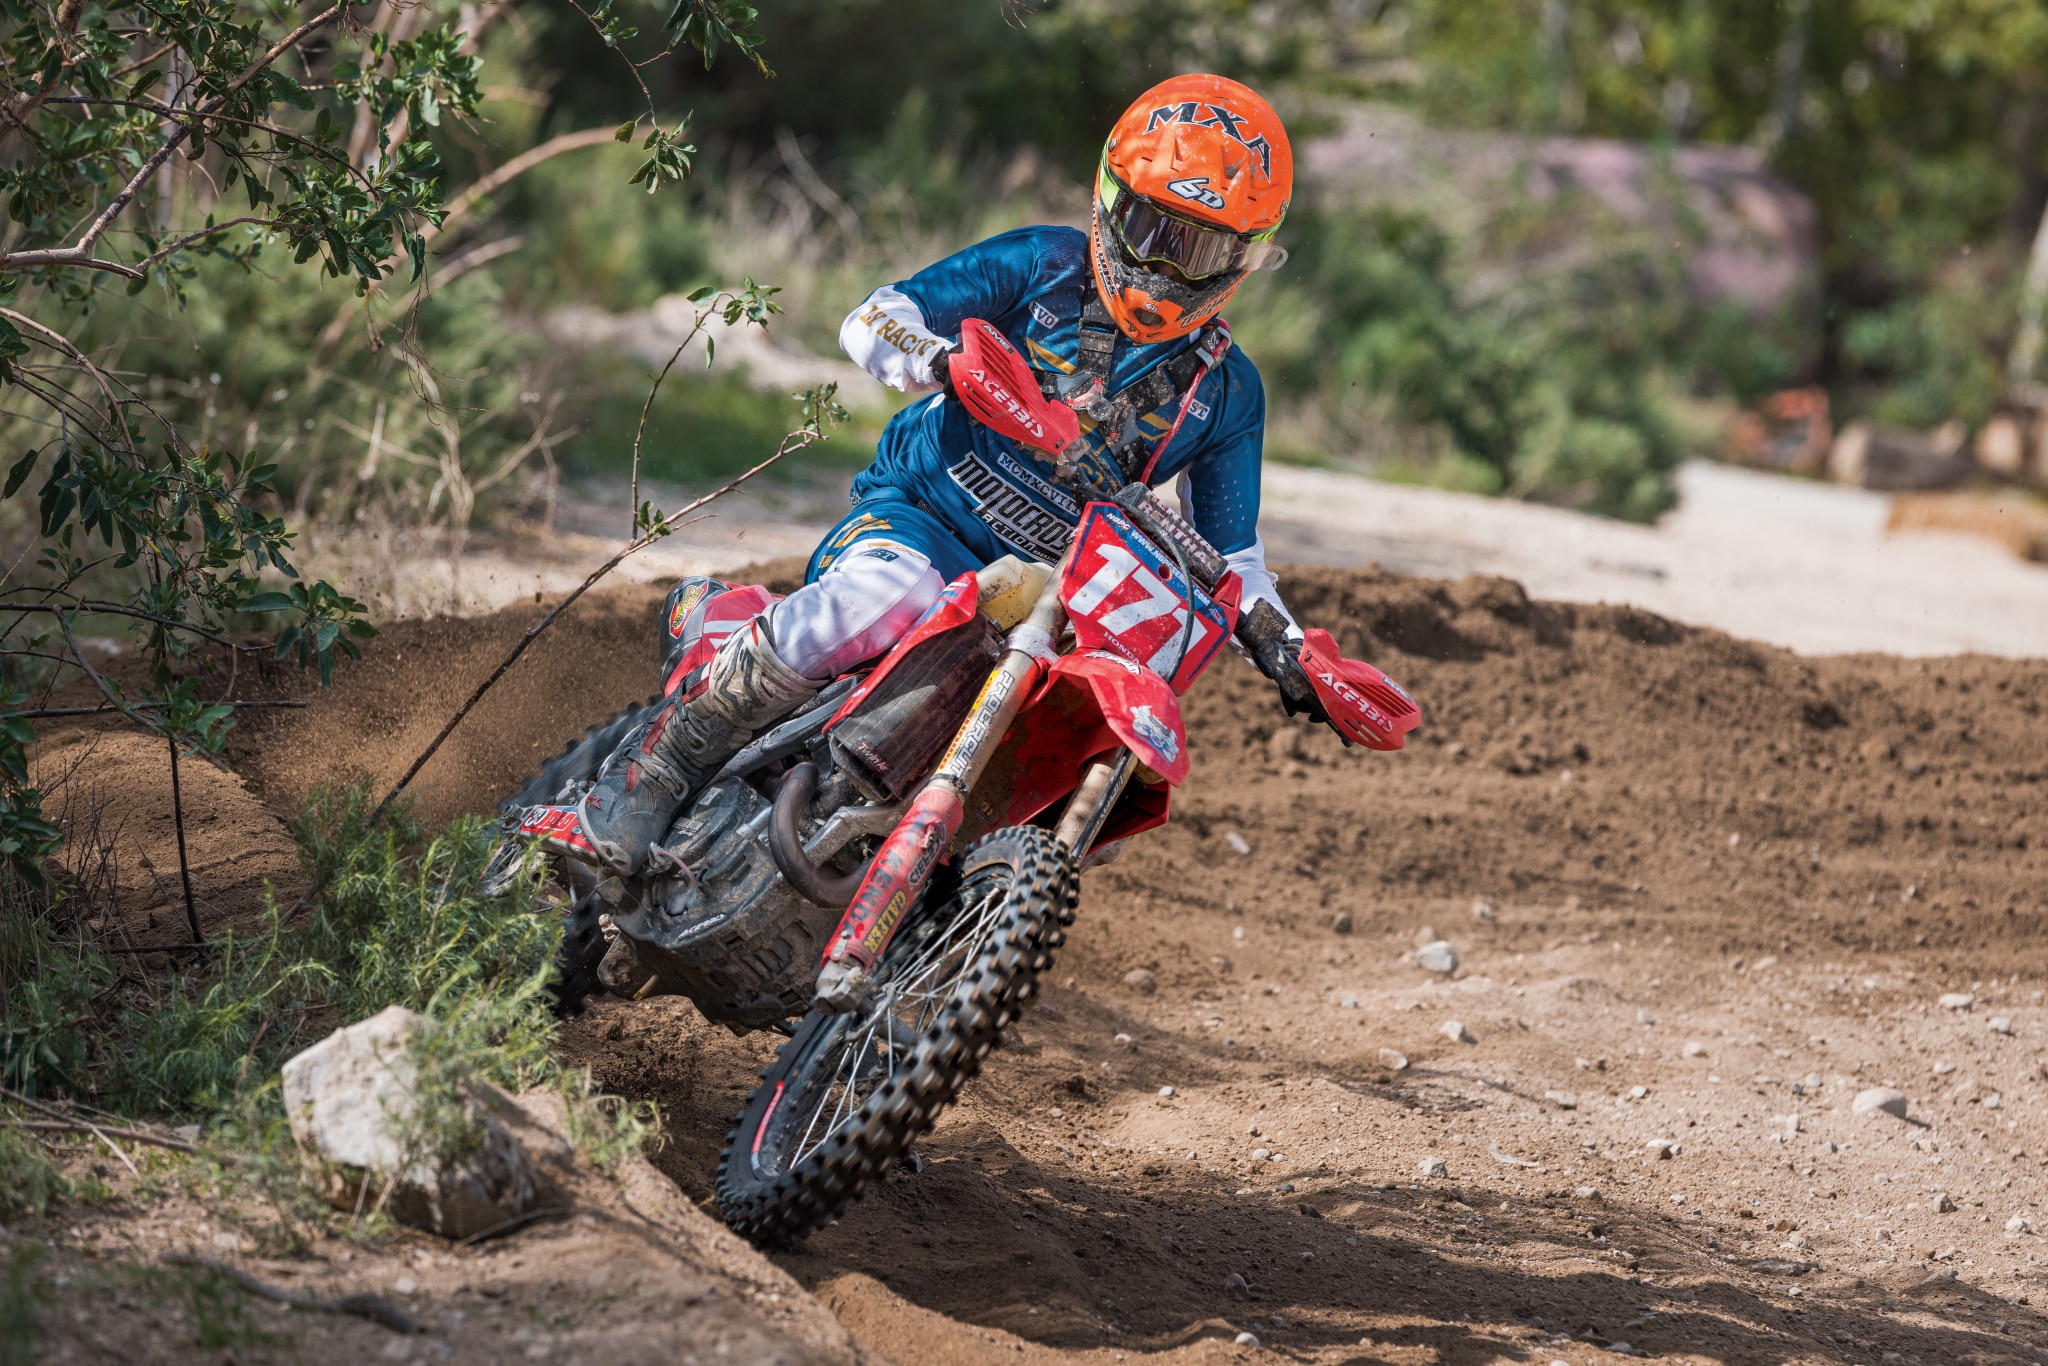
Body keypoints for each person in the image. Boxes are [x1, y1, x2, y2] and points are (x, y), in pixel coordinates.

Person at [568, 72, 1310, 876]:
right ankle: (661, 762)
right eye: (1148, 228)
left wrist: (1290, 647)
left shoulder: (1228, 390)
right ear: (1107, 199)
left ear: (1243, 257)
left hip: (1045, 593)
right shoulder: (1043, 264)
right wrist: (941, 361)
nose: (1162, 267)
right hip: (920, 518)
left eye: (1195, 248)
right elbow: (876, 314)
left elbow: (1232, 558)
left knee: (1067, 729)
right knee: (888, 597)